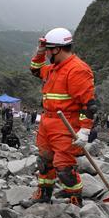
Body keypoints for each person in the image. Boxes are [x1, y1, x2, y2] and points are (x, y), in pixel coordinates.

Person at [29, 27, 96, 206]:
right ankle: (44, 194)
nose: (48, 53)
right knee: (44, 161)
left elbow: (88, 104)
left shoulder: (77, 70)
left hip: (66, 123)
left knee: (64, 167)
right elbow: (35, 70)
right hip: (47, 121)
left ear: (57, 49)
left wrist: (85, 130)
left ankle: (76, 198)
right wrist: (40, 52)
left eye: (49, 49)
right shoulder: (53, 68)